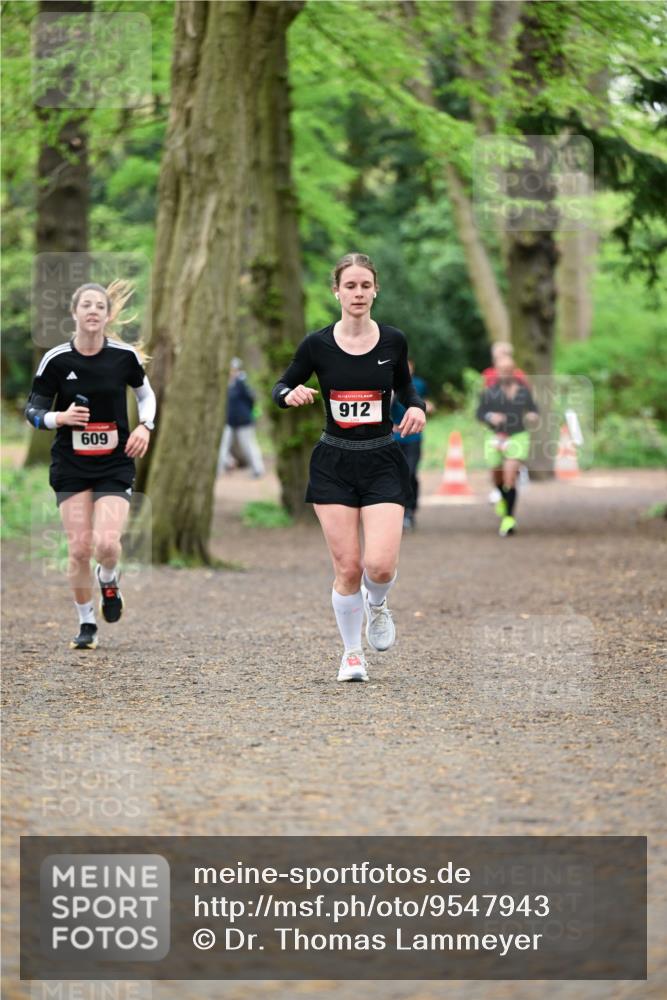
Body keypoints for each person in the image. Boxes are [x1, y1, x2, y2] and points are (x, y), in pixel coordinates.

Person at [272, 252, 426, 683]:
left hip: (382, 459)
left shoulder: (393, 341)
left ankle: (377, 606)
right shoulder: (316, 344)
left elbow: (408, 391)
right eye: (350, 286)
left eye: (365, 285)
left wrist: (418, 410)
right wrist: (290, 395)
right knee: (347, 567)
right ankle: (352, 654)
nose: (358, 293)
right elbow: (281, 385)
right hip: (334, 462)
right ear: (336, 291)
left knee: (379, 567)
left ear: (375, 290)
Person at [24, 281, 156, 649]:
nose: (93, 310)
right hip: (71, 464)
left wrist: (146, 426)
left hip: (115, 463)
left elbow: (146, 395)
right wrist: (59, 419)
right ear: (75, 313)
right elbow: (32, 411)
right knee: (80, 548)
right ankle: (86, 624)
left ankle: (109, 579)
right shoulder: (56, 360)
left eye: (100, 305)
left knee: (107, 544)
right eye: (86, 305)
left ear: (108, 315)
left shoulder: (123, 357)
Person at [476, 354, 538, 537]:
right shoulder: (489, 392)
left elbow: (534, 409)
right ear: (496, 372)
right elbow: (480, 413)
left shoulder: (523, 391)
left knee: (510, 476)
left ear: (514, 371)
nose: (506, 374)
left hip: (517, 435)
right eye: (502, 371)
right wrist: (490, 417)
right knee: (497, 476)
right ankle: (503, 499)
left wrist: (532, 416)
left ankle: (509, 518)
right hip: (495, 436)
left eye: (509, 371)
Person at [482, 342, 530, 503]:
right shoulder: (488, 375)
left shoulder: (519, 376)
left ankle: (516, 476)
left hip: (514, 426)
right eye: (496, 357)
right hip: (495, 428)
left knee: (512, 459)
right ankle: (500, 489)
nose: (499, 360)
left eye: (502, 356)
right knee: (495, 465)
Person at [390, 360, 432, 531]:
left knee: (411, 472)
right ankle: (400, 510)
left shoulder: (419, 384)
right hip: (394, 436)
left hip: (413, 436)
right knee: (397, 474)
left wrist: (427, 408)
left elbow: (425, 402)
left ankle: (410, 509)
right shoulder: (387, 383)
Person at [218, 357, 265, 478]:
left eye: (235, 369)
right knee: (222, 445)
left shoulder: (242, 382)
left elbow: (251, 399)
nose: (233, 371)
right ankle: (224, 466)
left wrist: (246, 412)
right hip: (229, 420)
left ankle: (258, 469)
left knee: (248, 445)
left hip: (244, 421)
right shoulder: (227, 383)